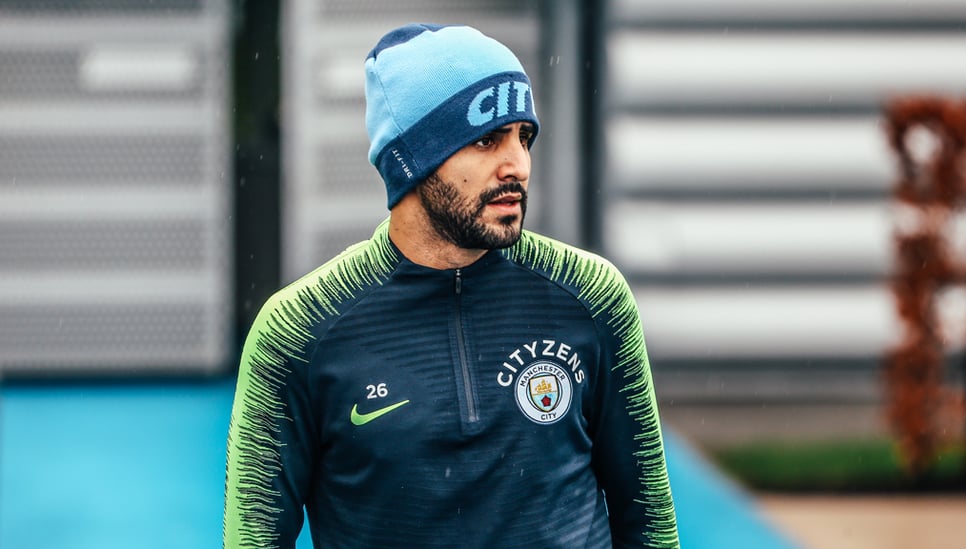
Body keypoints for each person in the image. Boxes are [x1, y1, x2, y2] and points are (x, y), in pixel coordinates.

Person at [223, 23, 679, 548]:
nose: (518, 166)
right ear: (412, 160)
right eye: (487, 140)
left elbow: (649, 524)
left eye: (523, 137)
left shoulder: (592, 295)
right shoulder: (298, 329)